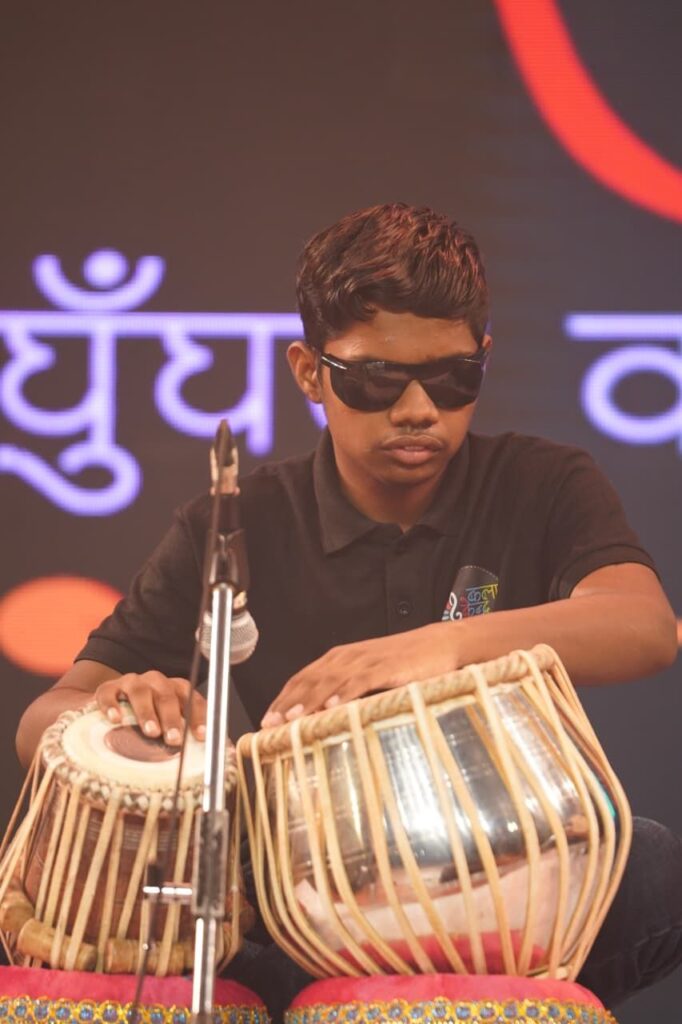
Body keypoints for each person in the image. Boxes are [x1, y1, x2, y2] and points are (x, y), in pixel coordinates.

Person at [15, 204, 681, 1018]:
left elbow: (645, 627)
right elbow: (45, 718)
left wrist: (436, 648)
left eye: (453, 378)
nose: (418, 409)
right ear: (309, 372)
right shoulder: (238, 522)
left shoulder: (540, 483)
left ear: (484, 359)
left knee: (652, 864)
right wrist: (116, 712)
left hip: (496, 874)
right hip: (297, 892)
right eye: (375, 380)